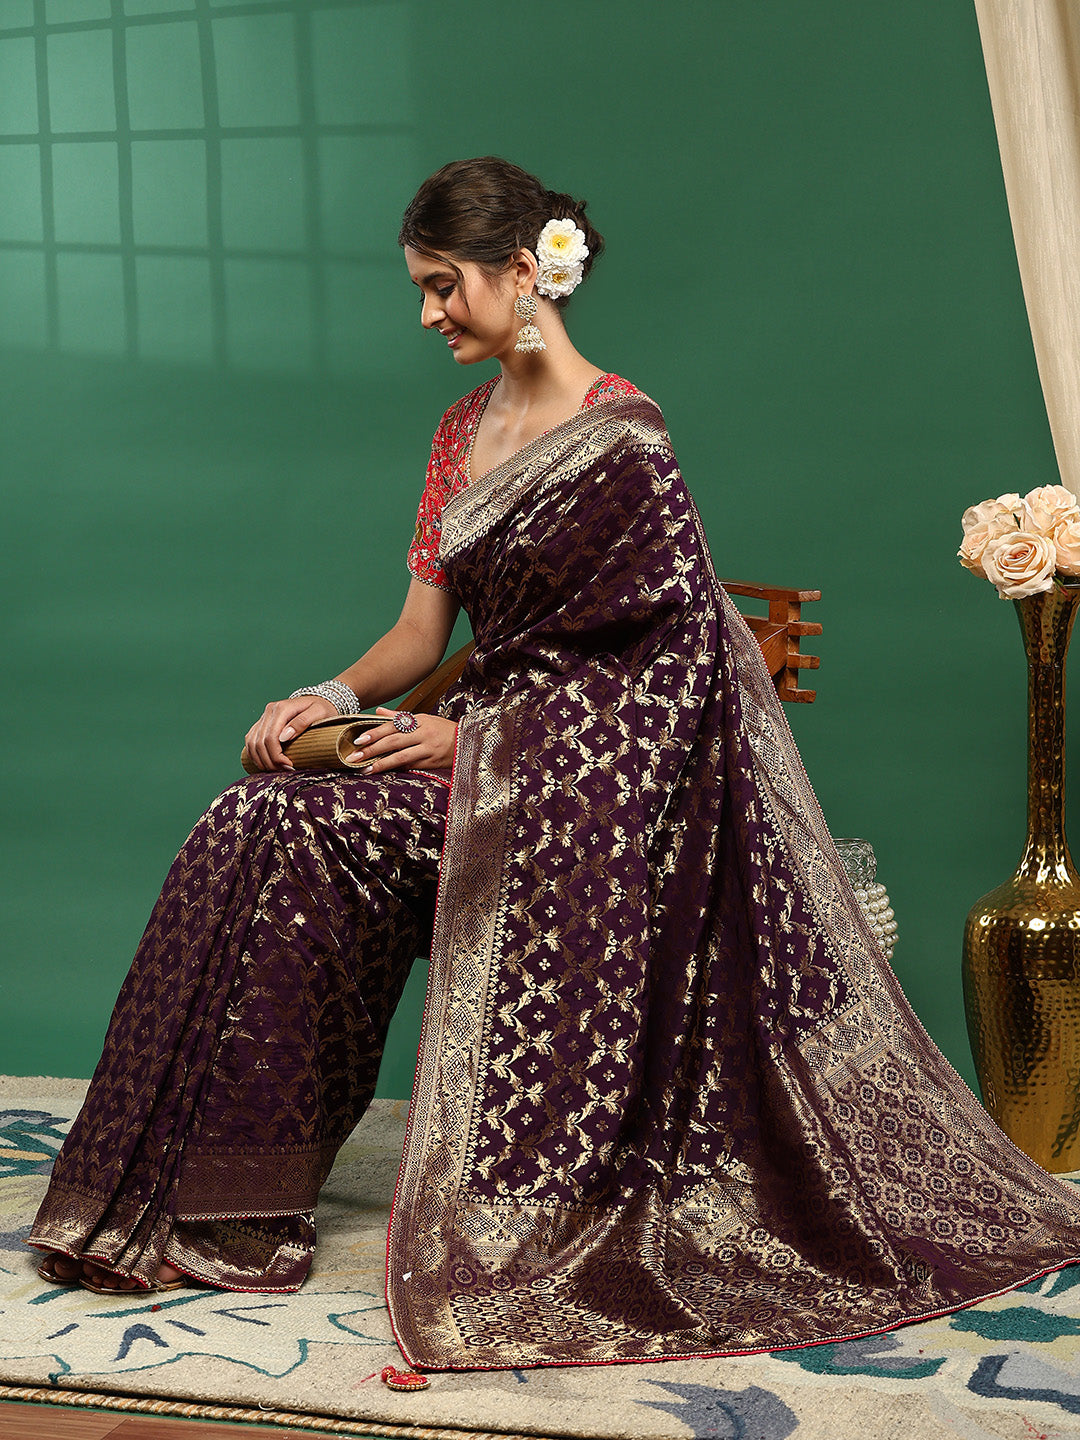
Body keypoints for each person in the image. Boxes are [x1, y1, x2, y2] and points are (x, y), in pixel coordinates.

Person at [29, 158, 1080, 1369]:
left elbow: (670, 676)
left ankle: (240, 1203)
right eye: (420, 288)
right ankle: (211, 1199)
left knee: (305, 826)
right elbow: (421, 633)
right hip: (480, 766)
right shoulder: (457, 435)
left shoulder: (625, 438)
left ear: (525, 272)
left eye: (443, 285)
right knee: (253, 815)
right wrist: (331, 696)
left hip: (584, 797)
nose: (427, 313)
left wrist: (472, 740)